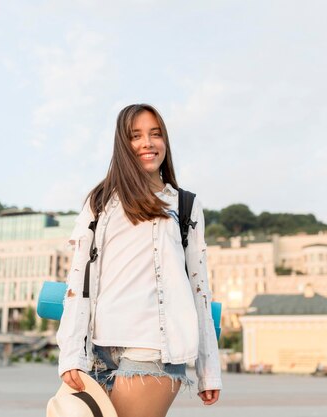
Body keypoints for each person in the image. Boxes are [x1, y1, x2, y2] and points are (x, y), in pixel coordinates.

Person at [56, 103, 222, 417]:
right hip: (99, 349)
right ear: (123, 145)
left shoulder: (184, 204)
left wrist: (207, 368)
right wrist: (71, 354)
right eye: (136, 136)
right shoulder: (101, 201)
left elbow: (200, 288)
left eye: (155, 134)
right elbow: (78, 281)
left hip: (155, 346)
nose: (147, 142)